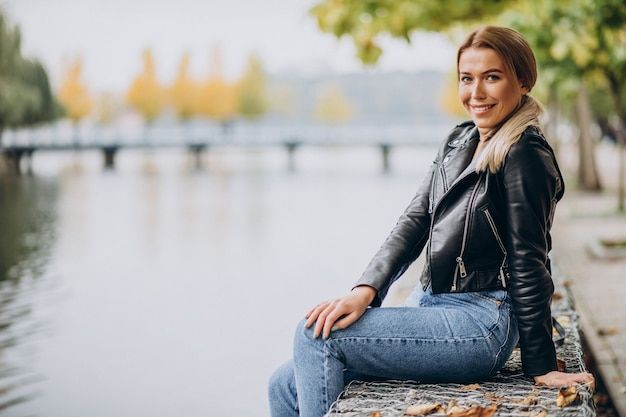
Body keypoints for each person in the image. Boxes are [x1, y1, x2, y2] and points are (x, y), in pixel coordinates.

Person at [268, 26, 595, 417]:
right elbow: (413, 221)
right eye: (466, 78)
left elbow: (530, 259)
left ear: (523, 81)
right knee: (284, 385)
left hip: (479, 321)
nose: (476, 93)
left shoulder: (524, 154)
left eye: (492, 77)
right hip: (430, 304)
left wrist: (540, 364)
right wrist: (365, 289)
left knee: (314, 337)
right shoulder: (460, 141)